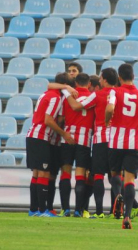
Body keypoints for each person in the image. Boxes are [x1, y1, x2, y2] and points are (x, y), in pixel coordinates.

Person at [105, 64, 138, 229]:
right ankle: (127, 216)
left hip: (116, 141)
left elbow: (110, 108)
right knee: (130, 180)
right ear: (133, 77)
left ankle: (118, 195)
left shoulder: (115, 91)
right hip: (134, 143)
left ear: (119, 77)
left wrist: (107, 121)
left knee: (114, 174)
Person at [65, 68, 118, 219]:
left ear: (105, 80)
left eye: (101, 78)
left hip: (100, 139)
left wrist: (66, 92)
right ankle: (116, 211)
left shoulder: (97, 94)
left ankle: (100, 211)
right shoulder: (120, 94)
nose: (99, 81)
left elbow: (76, 106)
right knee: (115, 175)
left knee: (99, 175)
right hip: (117, 140)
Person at [26, 73, 76, 217]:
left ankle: (33, 209)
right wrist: (64, 133)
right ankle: (43, 210)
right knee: (44, 173)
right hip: (41, 137)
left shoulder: (46, 94)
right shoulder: (55, 98)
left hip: (33, 135)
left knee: (36, 173)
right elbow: (48, 120)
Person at [59, 73, 95, 217]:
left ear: (75, 83)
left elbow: (61, 118)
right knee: (80, 175)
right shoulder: (93, 97)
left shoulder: (68, 96)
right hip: (84, 139)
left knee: (66, 173)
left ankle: (65, 208)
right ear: (89, 84)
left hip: (67, 138)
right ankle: (78, 210)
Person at [46, 73, 75, 216]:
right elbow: (49, 85)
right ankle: (51, 207)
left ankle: (54, 207)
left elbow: (61, 119)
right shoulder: (60, 95)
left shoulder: (64, 96)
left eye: (74, 70)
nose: (72, 72)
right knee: (53, 175)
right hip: (57, 140)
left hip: (60, 141)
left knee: (57, 174)